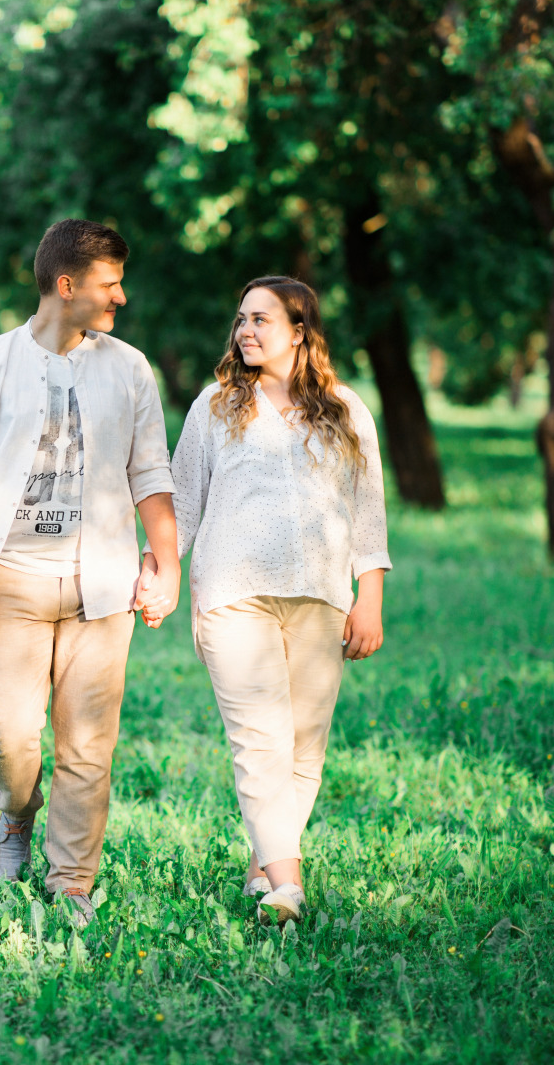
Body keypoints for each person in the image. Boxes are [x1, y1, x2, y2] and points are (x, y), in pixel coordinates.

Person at [0, 219, 180, 927]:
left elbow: (150, 472)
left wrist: (165, 561)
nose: (120, 298)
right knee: (9, 737)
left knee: (87, 745)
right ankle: (16, 813)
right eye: (110, 284)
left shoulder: (129, 368)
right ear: (66, 287)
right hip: (9, 576)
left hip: (101, 583)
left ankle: (70, 879)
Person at [159, 275, 389, 927]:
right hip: (233, 595)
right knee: (258, 739)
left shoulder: (346, 410)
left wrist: (366, 597)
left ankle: (264, 865)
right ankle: (288, 884)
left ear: (299, 330)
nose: (245, 331)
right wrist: (158, 574)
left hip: (320, 596)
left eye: (260, 319)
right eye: (241, 319)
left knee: (303, 748)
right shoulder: (213, 406)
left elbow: (366, 515)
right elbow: (180, 505)